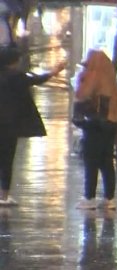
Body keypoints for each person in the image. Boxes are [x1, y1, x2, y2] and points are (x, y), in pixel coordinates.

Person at [0, 47, 66, 206]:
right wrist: (55, 71)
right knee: (7, 160)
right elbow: (37, 79)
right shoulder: (17, 76)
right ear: (14, 61)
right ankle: (3, 195)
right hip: (10, 125)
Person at [74, 49, 117, 210]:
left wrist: (80, 80)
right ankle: (109, 198)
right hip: (111, 124)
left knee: (91, 162)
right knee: (107, 162)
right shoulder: (110, 79)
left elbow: (82, 96)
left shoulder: (92, 78)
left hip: (95, 126)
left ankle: (89, 197)